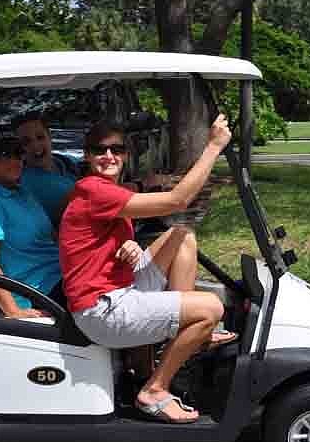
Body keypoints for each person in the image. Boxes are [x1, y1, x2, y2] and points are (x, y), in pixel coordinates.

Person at [58, 114, 236, 424]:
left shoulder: (101, 189)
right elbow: (178, 200)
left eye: (117, 149)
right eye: (100, 150)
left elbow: (92, 240)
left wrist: (126, 247)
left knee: (181, 236)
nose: (109, 156)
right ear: (87, 156)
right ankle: (155, 389)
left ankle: (183, 332)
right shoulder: (95, 191)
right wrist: (213, 147)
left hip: (116, 290)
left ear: (126, 154)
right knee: (211, 308)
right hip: (102, 309)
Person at [0, 125, 61, 318]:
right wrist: (13, 311)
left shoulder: (22, 192)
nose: (14, 160)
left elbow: (53, 239)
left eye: (17, 153)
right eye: (4, 154)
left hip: (61, 276)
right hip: (39, 292)